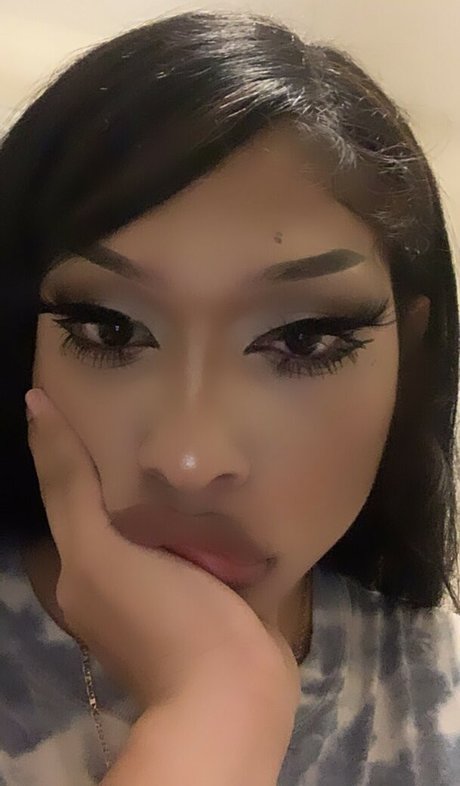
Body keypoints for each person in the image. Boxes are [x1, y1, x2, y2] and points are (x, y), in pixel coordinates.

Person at [0, 8, 459, 785]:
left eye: (304, 341)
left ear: (406, 363)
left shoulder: (439, 703)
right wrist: (222, 702)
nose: (188, 462)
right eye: (111, 329)